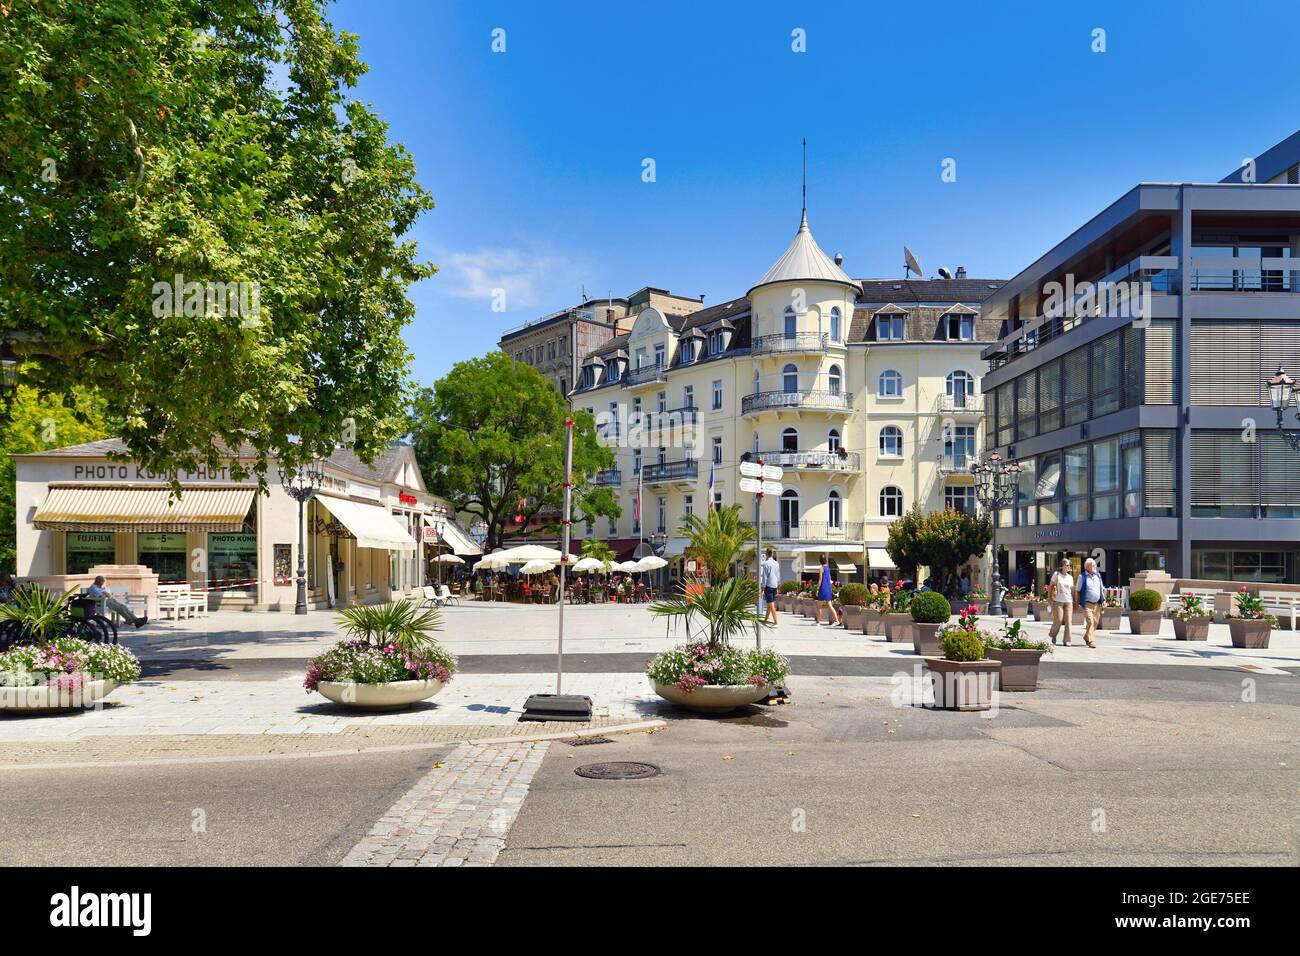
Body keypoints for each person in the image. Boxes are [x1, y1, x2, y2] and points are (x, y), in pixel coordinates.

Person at [1076, 557, 1104, 649]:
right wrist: (1077, 603)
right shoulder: (1082, 577)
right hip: (1087, 604)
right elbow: (1077, 591)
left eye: (1095, 565)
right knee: (1090, 622)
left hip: (1097, 604)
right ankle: (1091, 641)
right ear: (1087, 566)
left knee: (1095, 622)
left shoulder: (1098, 576)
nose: (1095, 566)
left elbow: (1101, 589)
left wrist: (1103, 600)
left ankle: (1086, 636)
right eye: (1093, 565)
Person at [1046, 559, 1075, 646]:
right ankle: (1053, 635)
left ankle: (1067, 640)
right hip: (1058, 601)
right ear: (1062, 566)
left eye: (1069, 565)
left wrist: (1075, 601)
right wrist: (1049, 597)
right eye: (1067, 565)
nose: (1068, 567)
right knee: (1058, 620)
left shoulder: (1070, 577)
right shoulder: (1057, 574)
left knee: (1068, 621)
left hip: (1068, 601)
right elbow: (1051, 586)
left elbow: (1072, 590)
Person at [814, 553, 841, 626]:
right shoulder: (828, 568)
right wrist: (830, 589)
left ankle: (818, 622)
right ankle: (836, 620)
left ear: (820, 560)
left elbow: (820, 580)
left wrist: (817, 589)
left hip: (823, 588)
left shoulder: (821, 568)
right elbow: (829, 579)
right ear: (825, 560)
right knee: (830, 605)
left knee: (819, 606)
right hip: (828, 588)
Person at [760, 547, 781, 625]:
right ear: (772, 554)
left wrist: (762, 588)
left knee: (771, 604)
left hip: (768, 585)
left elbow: (764, 577)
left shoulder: (766, 564)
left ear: (766, 554)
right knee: (769, 603)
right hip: (775, 585)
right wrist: (778, 586)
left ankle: (775, 621)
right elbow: (778, 576)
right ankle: (765, 620)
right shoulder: (776, 563)